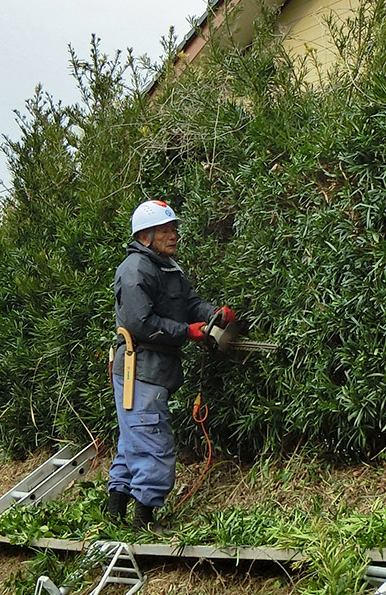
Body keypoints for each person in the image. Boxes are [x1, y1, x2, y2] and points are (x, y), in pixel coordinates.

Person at [106, 200, 234, 529]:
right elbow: (141, 322)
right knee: (152, 441)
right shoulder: (135, 269)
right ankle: (143, 521)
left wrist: (211, 315)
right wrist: (187, 332)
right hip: (140, 369)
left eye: (174, 228)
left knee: (133, 440)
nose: (173, 234)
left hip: (156, 371)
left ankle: (113, 516)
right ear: (145, 236)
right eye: (165, 230)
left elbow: (188, 303)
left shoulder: (167, 268)